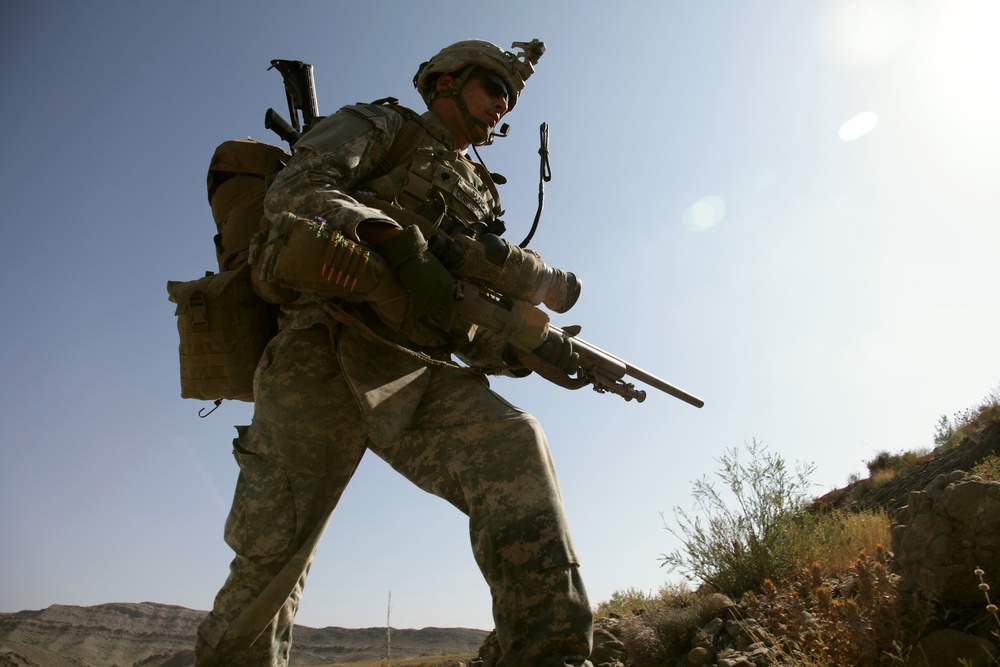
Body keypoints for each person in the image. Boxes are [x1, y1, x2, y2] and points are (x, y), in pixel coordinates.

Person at [195, 39, 594, 667]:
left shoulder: (482, 195)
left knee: (516, 445)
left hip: (413, 373)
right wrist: (391, 239)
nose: (500, 106)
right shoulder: (380, 126)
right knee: (272, 560)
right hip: (320, 348)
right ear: (444, 82)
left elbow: (454, 310)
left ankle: (554, 654)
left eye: (509, 100)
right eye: (493, 87)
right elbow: (295, 193)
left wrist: (523, 352)